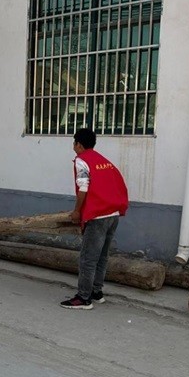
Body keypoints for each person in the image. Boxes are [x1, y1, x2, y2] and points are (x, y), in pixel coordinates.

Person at [61, 128, 129, 310]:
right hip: (113, 214)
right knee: (102, 257)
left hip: (97, 216)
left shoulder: (82, 161)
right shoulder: (104, 161)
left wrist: (77, 212)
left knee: (88, 259)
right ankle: (96, 292)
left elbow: (83, 188)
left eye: (74, 142)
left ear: (79, 145)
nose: (73, 146)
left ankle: (84, 298)